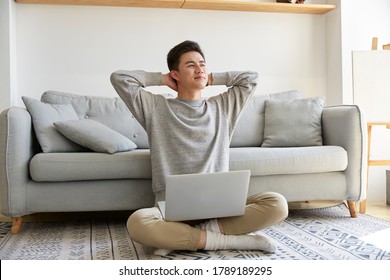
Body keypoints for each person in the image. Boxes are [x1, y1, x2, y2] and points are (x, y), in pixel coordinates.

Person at [110, 40, 288, 256]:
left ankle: (185, 237)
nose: (200, 69)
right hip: (172, 211)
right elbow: (119, 78)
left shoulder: (222, 107)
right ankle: (232, 241)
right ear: (175, 74)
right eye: (191, 65)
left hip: (220, 209)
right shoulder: (156, 108)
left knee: (277, 204)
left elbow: (250, 79)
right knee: (138, 222)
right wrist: (162, 79)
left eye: (202, 64)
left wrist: (211, 78)